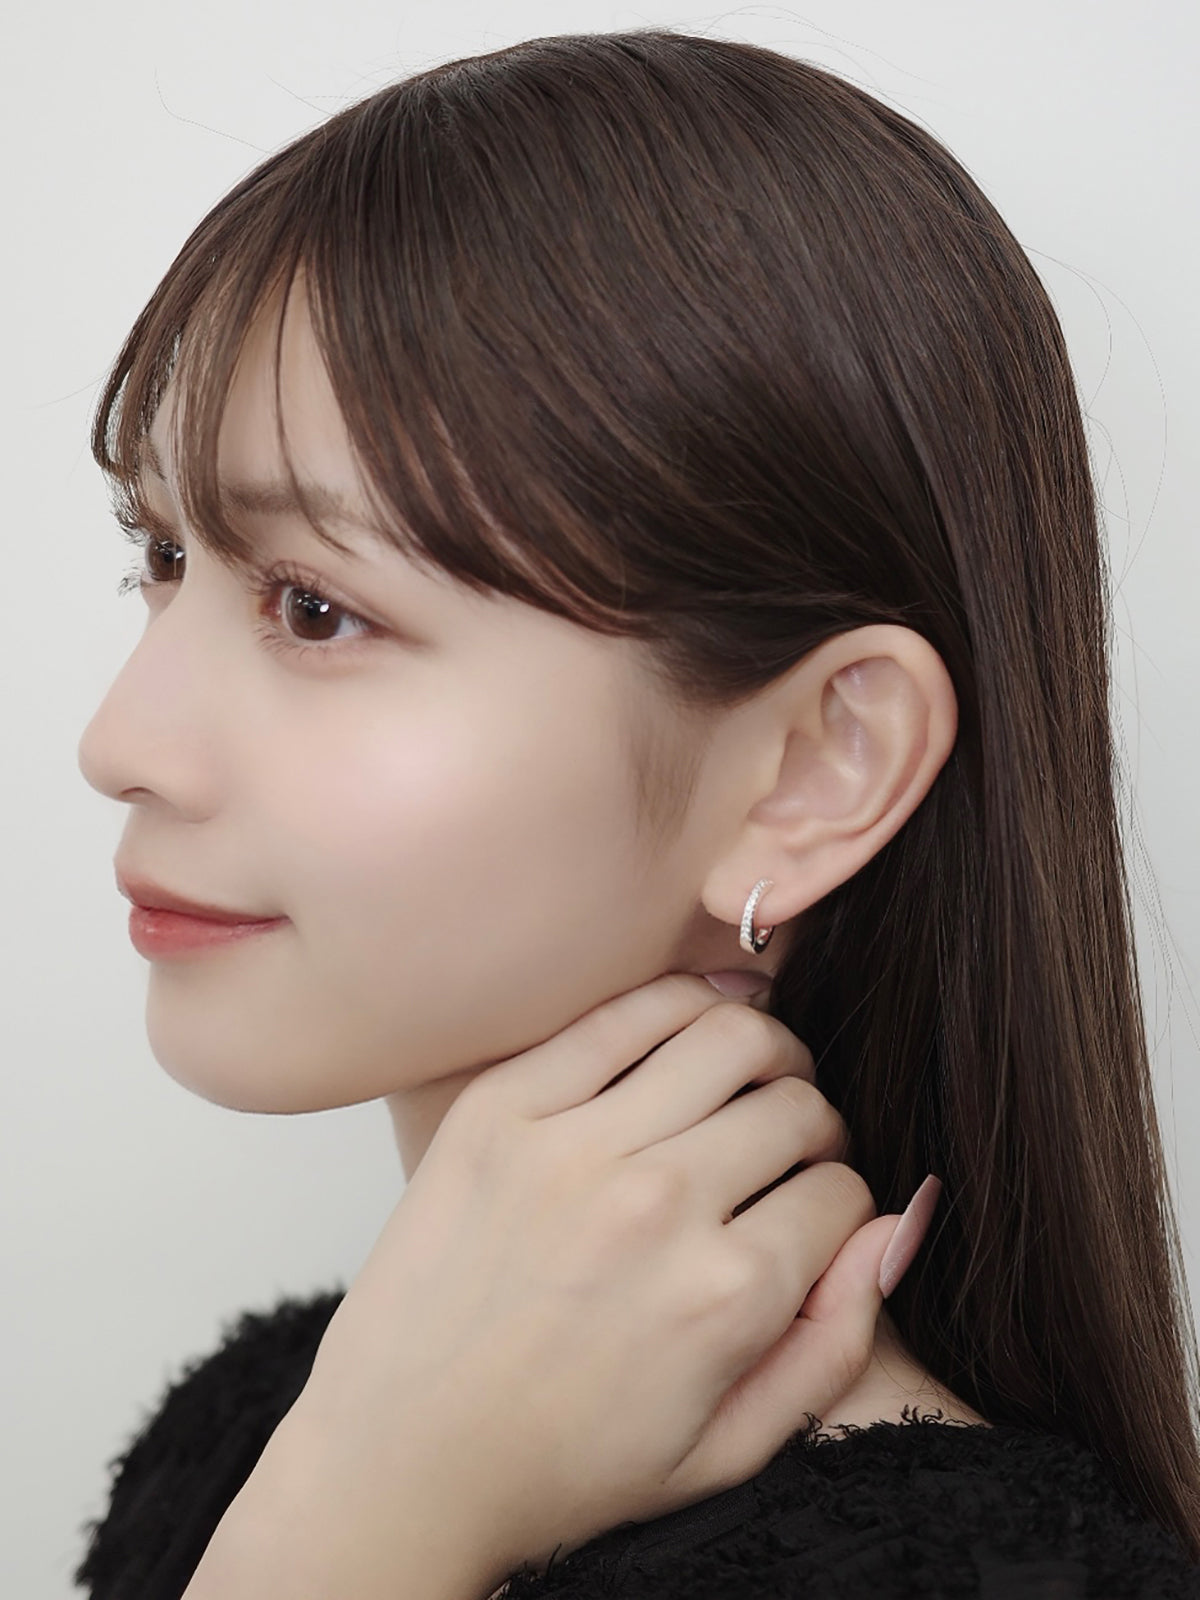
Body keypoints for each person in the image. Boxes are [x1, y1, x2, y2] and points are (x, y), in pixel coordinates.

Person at [71, 25, 1200, 1598]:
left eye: (317, 609)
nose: (120, 744)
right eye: (163, 557)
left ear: (814, 770)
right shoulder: (260, 1435)